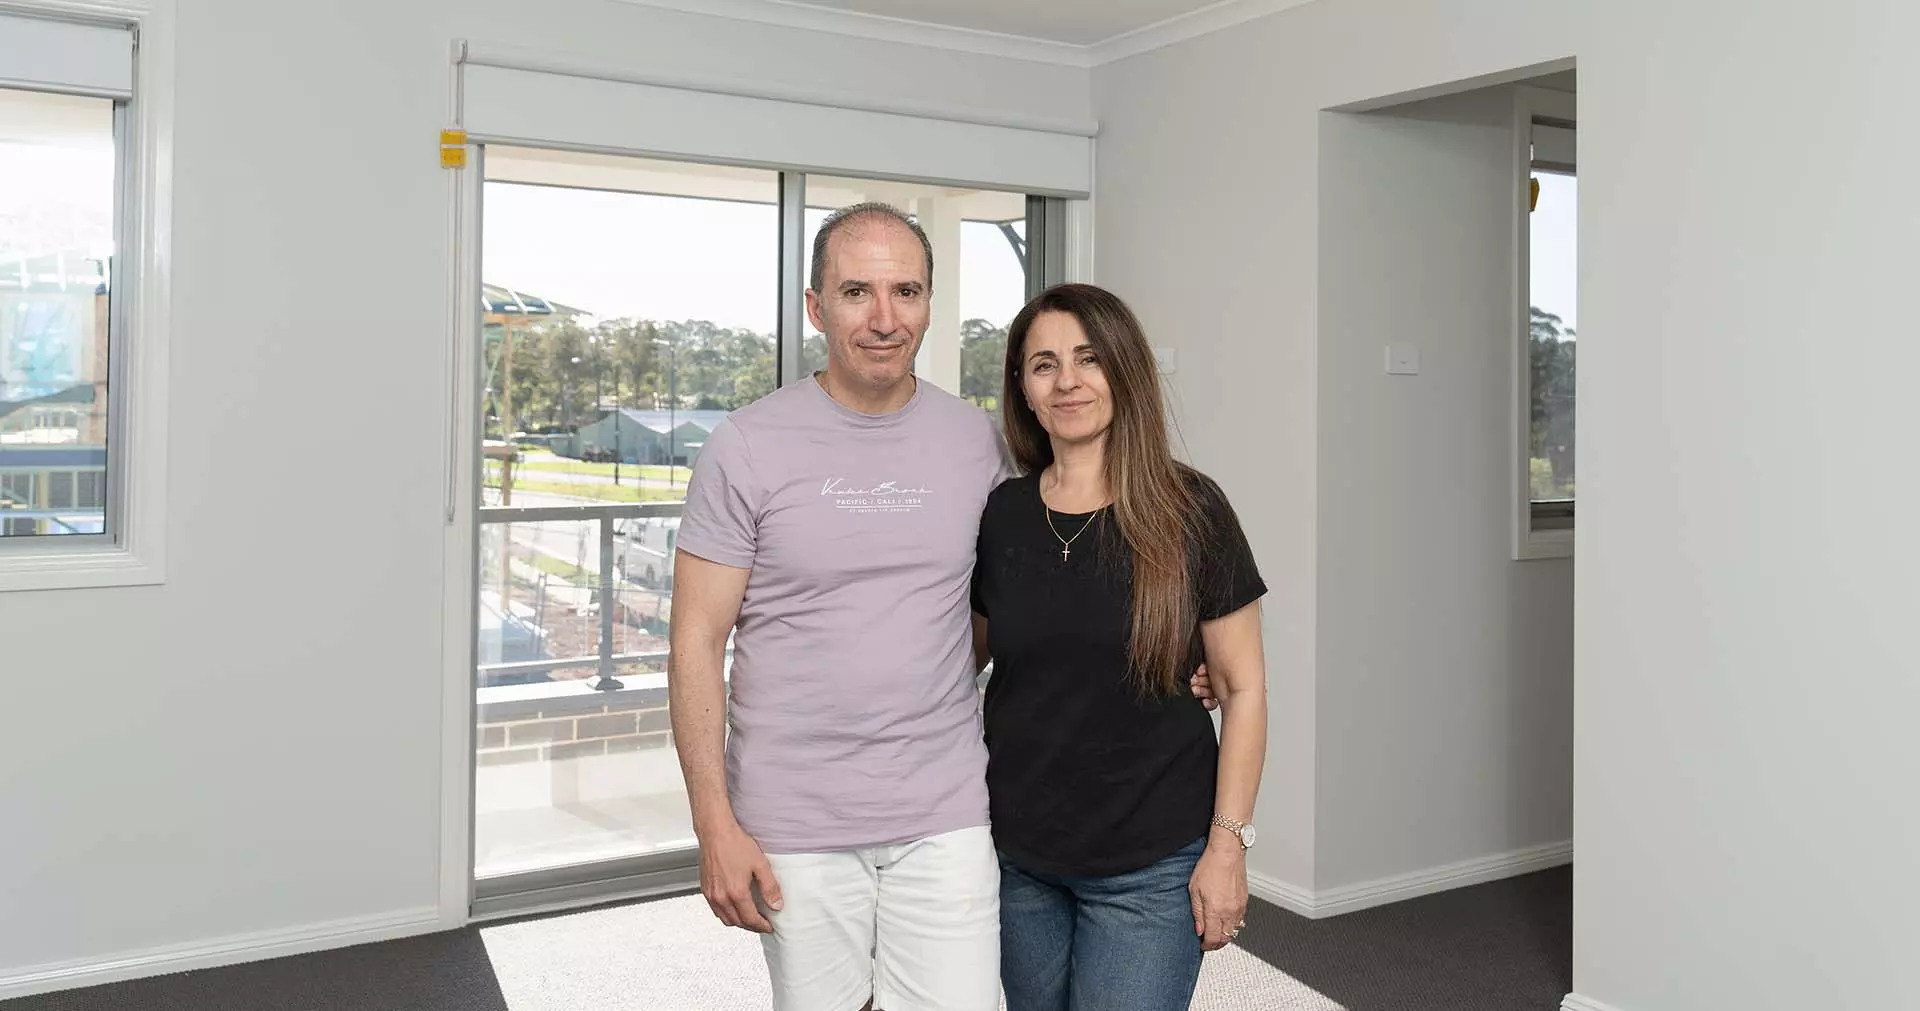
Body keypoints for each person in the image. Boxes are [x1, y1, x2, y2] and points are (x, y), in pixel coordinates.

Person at [667, 203, 1219, 1011]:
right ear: (817, 307)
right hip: (795, 815)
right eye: (857, 291)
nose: (885, 318)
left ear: (930, 302)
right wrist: (713, 823)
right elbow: (693, 642)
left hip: (949, 808)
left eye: (907, 291)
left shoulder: (979, 444)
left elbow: (1050, 580)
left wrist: (1185, 662)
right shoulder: (746, 446)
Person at [970, 283, 1270, 1011]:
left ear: (1125, 370)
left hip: (1151, 863)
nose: (1067, 380)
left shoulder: (1191, 508)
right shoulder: (1003, 513)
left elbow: (1243, 688)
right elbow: (965, 660)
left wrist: (1228, 846)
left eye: (1089, 357)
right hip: (1018, 856)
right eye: (1043, 364)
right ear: (1023, 388)